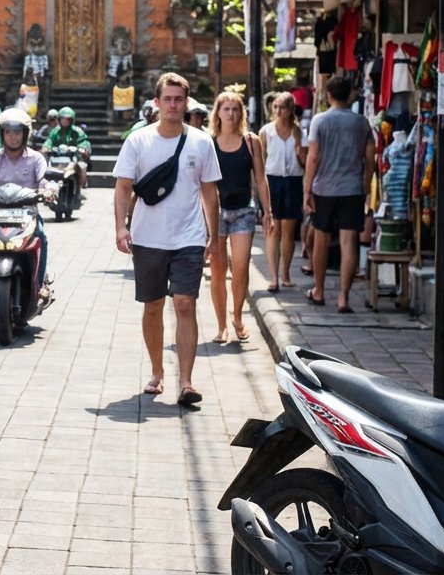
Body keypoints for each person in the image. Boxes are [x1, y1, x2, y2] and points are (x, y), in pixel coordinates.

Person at [112, 73, 221, 406]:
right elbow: (122, 187)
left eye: (179, 99)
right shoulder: (138, 141)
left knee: (185, 303)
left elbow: (209, 191)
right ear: (157, 103)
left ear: (186, 104)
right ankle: (157, 371)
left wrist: (213, 237)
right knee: (154, 306)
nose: (173, 105)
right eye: (168, 99)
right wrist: (121, 227)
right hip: (148, 237)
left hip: (188, 237)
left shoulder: (202, 142)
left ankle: (186, 382)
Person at [0, 107, 56, 298]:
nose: (13, 137)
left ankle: (40, 283)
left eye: (17, 132)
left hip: (27, 215)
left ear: (25, 134)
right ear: (1, 134)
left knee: (42, 238)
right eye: (8, 132)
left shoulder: (36, 158)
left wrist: (48, 191)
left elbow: (44, 180)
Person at [302, 76, 375, 313]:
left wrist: (307, 188)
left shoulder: (320, 120)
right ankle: (343, 298)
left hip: (324, 188)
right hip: (352, 188)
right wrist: (366, 184)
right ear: (350, 95)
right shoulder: (362, 123)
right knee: (348, 241)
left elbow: (313, 157)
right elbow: (370, 157)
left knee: (321, 237)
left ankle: (319, 290)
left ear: (329, 96)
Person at [206, 92, 272, 344]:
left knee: (242, 266)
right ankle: (221, 325)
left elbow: (260, 178)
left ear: (241, 112)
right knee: (218, 269)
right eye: (226, 109)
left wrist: (268, 212)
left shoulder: (251, 141)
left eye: (235, 109)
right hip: (216, 212)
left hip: (243, 210)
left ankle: (237, 316)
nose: (230, 113)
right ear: (218, 112)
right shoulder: (209, 142)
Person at [260, 92, 307, 292]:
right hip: (272, 181)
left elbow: (305, 163)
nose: (279, 111)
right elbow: (260, 160)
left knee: (288, 231)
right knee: (273, 229)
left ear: (290, 110)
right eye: (276, 107)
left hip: (293, 181)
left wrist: (298, 148)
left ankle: (285, 274)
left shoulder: (300, 133)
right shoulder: (266, 132)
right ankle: (273, 277)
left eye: (283, 107)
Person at [44, 106, 92, 189]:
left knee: (82, 166)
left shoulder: (77, 131)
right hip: (57, 156)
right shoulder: (55, 131)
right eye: (63, 118)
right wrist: (46, 147)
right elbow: (49, 140)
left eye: (68, 119)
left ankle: (82, 183)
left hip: (73, 156)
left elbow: (84, 141)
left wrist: (82, 148)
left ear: (71, 120)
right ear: (59, 119)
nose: (65, 121)